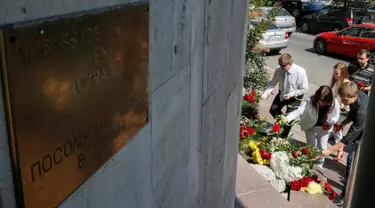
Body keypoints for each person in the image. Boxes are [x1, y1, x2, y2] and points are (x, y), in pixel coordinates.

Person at [322, 81, 368, 197]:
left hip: (366, 131)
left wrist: (330, 150)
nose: (342, 102)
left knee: (351, 158)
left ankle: (347, 191)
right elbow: (352, 113)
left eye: (345, 100)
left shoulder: (362, 111)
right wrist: (343, 123)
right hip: (360, 124)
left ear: (354, 96)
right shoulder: (357, 94)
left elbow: (348, 138)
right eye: (341, 98)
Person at [284, 86, 340, 168]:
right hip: (310, 125)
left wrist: (330, 123)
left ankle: (319, 167)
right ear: (317, 96)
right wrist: (286, 119)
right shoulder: (310, 100)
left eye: (325, 102)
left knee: (322, 147)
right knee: (311, 146)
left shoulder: (334, 102)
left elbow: (336, 116)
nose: (322, 103)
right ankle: (309, 165)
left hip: (324, 127)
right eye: (321, 100)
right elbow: (299, 111)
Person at [262, 53, 309, 138]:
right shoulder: (279, 70)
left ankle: (282, 138)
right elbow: (273, 83)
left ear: (290, 63)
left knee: (289, 119)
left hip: (295, 97)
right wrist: (265, 94)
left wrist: (292, 94)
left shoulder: (300, 72)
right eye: (280, 65)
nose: (281, 68)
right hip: (282, 93)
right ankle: (281, 124)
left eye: (283, 66)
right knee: (273, 110)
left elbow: (304, 89)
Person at [330, 62, 350, 160]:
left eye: (337, 74)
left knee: (336, 129)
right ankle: (339, 149)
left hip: (343, 110)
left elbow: (346, 101)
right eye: (334, 73)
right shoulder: (337, 81)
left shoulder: (346, 84)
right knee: (335, 130)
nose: (335, 76)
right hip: (335, 108)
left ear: (343, 73)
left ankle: (340, 150)